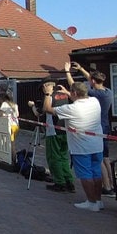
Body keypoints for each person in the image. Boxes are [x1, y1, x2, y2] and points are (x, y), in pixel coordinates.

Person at [44, 82, 103, 212]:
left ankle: (91, 202)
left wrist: (48, 93)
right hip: (97, 144)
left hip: (81, 147)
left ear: (75, 93)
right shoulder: (94, 101)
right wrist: (68, 93)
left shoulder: (71, 109)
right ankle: (98, 200)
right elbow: (79, 99)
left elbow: (48, 109)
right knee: (96, 173)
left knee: (85, 175)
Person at [66, 62, 115, 197]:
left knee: (99, 160)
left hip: (97, 128)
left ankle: (107, 186)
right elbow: (92, 79)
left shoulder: (94, 95)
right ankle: (111, 184)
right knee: (105, 158)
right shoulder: (108, 91)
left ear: (93, 81)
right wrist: (82, 69)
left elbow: (75, 88)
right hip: (106, 126)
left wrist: (67, 72)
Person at [28, 77, 75, 193]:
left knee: (54, 157)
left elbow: (42, 111)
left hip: (53, 130)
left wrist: (33, 106)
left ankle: (59, 182)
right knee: (64, 157)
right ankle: (69, 180)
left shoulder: (49, 96)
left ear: (45, 86)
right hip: (66, 129)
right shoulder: (64, 94)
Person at [0, 92, 19, 162]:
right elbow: (17, 115)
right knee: (12, 142)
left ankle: (12, 159)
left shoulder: (4, 104)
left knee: (9, 143)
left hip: (9, 125)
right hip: (16, 125)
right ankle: (13, 158)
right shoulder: (15, 105)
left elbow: (1, 115)